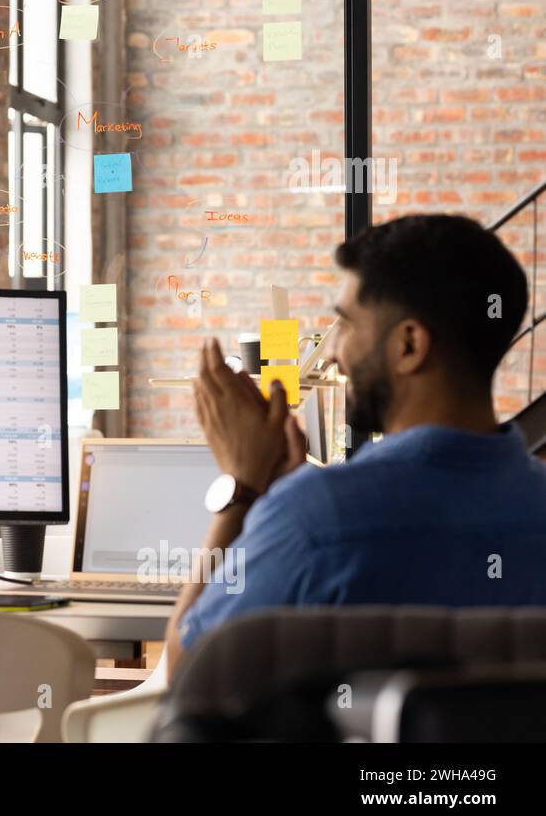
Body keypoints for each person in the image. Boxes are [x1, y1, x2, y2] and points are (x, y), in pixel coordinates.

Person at [166, 213, 546, 679]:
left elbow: (188, 671)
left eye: (345, 325)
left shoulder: (313, 519)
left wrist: (243, 491)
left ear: (409, 344)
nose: (331, 352)